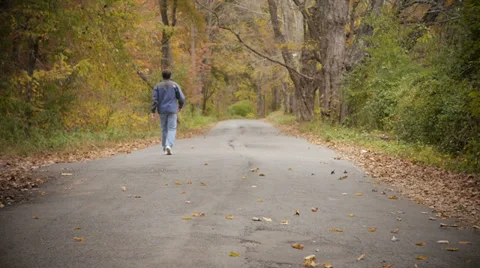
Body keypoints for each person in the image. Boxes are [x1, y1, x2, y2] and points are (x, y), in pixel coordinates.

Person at [151, 70, 186, 155]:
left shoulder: (157, 86)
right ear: (170, 76)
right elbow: (182, 98)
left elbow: (155, 99)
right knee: (172, 128)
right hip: (172, 110)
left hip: (162, 110)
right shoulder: (175, 85)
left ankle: (164, 146)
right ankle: (168, 145)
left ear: (162, 76)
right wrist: (180, 106)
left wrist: (153, 110)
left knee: (164, 129)